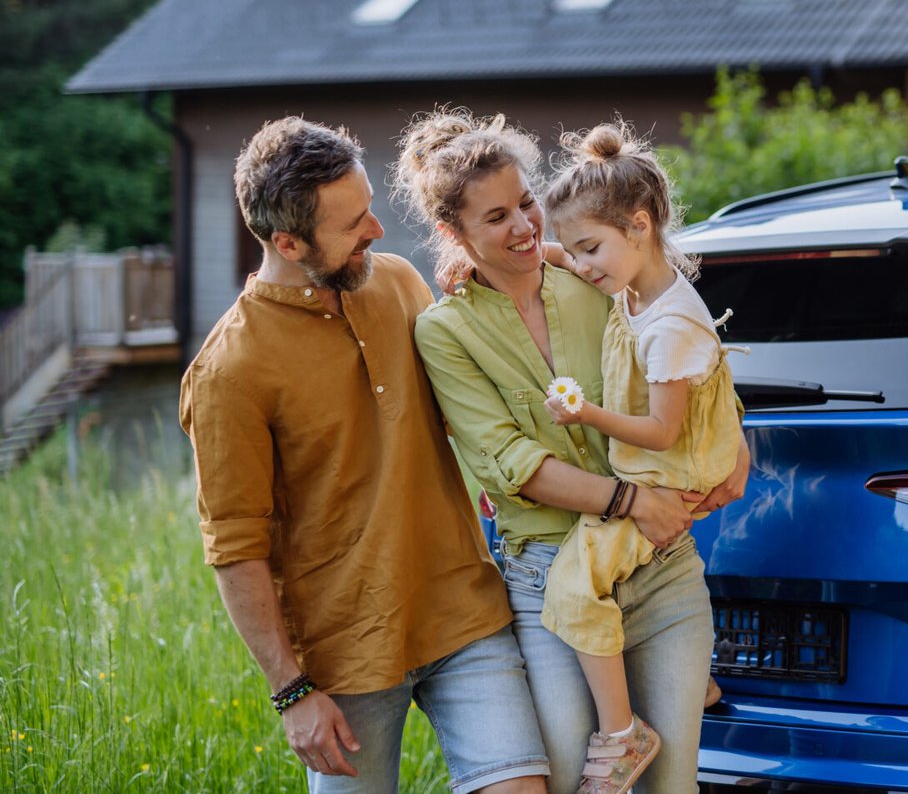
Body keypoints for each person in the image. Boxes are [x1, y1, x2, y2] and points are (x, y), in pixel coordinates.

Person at [180, 117, 548, 794]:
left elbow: (480, 400)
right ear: (288, 242)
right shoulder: (229, 371)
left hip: (463, 611)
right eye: (352, 225)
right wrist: (291, 692)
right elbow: (235, 547)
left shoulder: (400, 283)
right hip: (344, 654)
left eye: (369, 206)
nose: (376, 229)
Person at [396, 108, 749, 794]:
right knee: (569, 778)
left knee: (670, 784)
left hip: (660, 568)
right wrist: (634, 499)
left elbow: (683, 350)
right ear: (453, 233)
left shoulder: (590, 274)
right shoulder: (445, 332)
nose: (525, 226)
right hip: (553, 582)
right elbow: (512, 464)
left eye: (525, 202)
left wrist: (738, 437)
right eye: (495, 218)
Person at [535, 122, 745, 794]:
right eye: (575, 250)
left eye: (591, 247)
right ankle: (692, 675)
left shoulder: (671, 324)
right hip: (657, 469)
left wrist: (584, 413)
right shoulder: (634, 283)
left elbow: (659, 430)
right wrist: (521, 253)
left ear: (641, 224)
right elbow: (572, 258)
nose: (583, 264)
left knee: (572, 587)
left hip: (663, 471)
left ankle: (622, 735)